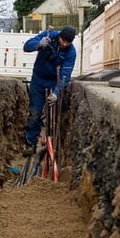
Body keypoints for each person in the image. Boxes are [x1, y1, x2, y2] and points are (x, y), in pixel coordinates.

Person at [22, 25, 77, 156]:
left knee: (54, 113)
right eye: (63, 40)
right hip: (38, 79)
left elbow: (65, 76)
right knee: (35, 111)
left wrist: (57, 93)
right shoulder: (48, 35)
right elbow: (26, 46)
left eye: (68, 42)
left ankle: (53, 144)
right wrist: (39, 44)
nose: (64, 44)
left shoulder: (71, 53)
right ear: (59, 36)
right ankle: (31, 143)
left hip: (54, 81)